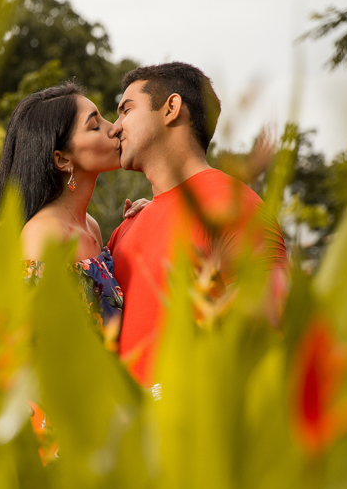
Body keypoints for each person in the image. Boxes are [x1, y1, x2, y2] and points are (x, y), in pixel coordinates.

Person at [107, 62, 288, 386]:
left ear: (171, 108)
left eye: (126, 110)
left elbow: (271, 336)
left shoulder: (233, 207)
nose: (114, 127)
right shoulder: (125, 228)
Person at [0, 81, 148, 348]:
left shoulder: (90, 226)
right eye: (95, 126)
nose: (114, 128)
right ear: (62, 160)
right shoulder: (44, 235)